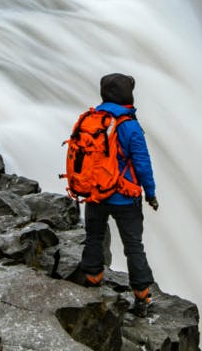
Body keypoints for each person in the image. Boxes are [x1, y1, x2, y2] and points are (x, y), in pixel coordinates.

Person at [78, 72, 159, 317]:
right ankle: (142, 296)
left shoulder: (90, 120)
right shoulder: (130, 126)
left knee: (94, 237)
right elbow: (142, 164)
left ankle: (92, 278)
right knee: (133, 246)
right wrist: (151, 193)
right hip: (125, 197)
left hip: (96, 194)